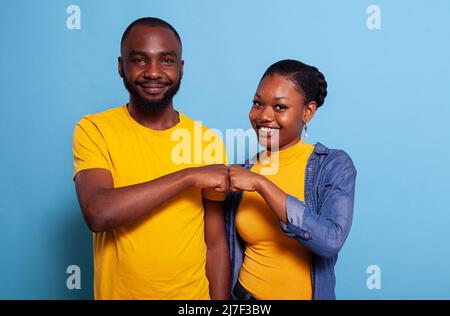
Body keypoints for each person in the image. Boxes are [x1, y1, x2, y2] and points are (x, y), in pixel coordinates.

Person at [72, 17, 230, 299]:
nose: (153, 72)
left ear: (181, 69)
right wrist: (188, 176)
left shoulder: (206, 141)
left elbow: (215, 243)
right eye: (140, 60)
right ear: (122, 66)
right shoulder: (94, 129)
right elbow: (98, 213)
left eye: (166, 60)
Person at [226, 59, 357, 300]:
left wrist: (262, 184)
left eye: (279, 107)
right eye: (258, 103)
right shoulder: (243, 172)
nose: (264, 115)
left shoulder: (334, 166)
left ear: (308, 112)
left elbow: (330, 241)